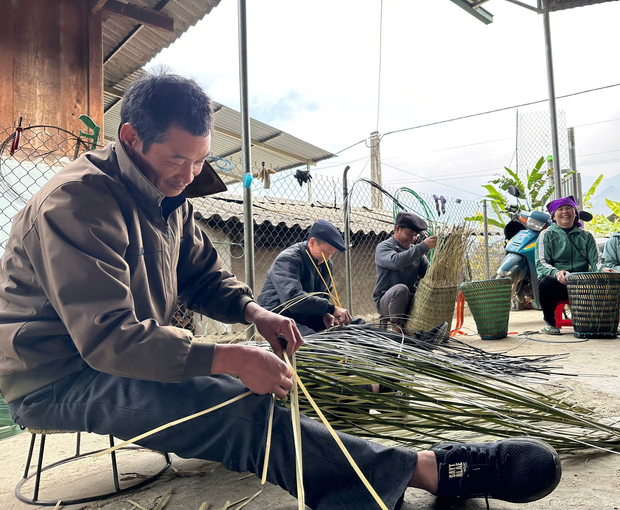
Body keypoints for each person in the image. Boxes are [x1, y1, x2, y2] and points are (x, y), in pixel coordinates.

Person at [0, 72, 561, 509]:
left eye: (199, 160)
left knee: (241, 387)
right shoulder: (77, 203)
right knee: (220, 398)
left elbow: (202, 275)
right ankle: (424, 470)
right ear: (130, 138)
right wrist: (230, 356)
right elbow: (110, 343)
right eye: (177, 159)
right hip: (57, 377)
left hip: (115, 357)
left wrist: (255, 312)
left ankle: (354, 481)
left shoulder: (168, 195)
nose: (188, 174)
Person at [535, 195, 617, 335]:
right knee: (546, 283)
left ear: (575, 214)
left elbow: (596, 261)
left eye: (569, 208)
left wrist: (604, 269)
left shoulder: (586, 236)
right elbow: (541, 263)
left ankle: (605, 322)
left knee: (611, 278)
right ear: (554, 216)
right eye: (560, 209)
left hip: (583, 283)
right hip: (560, 282)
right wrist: (556, 272)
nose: (565, 212)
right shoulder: (546, 235)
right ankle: (549, 322)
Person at [257, 219, 352, 336]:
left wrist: (326, 315)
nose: (328, 257)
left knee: (353, 328)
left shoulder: (326, 263)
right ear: (312, 242)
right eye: (326, 252)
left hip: (306, 317)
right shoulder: (288, 259)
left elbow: (323, 296)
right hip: (278, 317)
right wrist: (331, 309)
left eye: (332, 253)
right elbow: (292, 300)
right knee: (317, 344)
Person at [373, 212, 437, 327]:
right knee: (401, 289)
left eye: (415, 235)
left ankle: (428, 330)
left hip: (410, 301)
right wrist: (423, 247)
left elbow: (429, 275)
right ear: (397, 229)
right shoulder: (384, 247)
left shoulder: (417, 253)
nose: (413, 239)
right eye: (410, 233)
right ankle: (398, 331)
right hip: (386, 302)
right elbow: (396, 261)